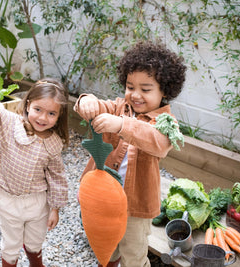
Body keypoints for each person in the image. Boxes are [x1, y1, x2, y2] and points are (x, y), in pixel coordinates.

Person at [74, 41, 187, 267]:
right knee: (107, 245)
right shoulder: (118, 107)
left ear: (164, 90)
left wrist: (121, 126)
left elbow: (157, 142)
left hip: (135, 206)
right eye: (129, 86)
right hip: (104, 198)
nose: (135, 95)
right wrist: (86, 101)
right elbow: (95, 107)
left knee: (133, 253)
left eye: (145, 89)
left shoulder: (165, 123)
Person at [0, 66, 69, 267]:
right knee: (10, 244)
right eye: (38, 110)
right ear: (28, 105)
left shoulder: (53, 143)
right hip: (8, 200)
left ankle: (36, 262)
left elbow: (57, 177)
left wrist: (55, 209)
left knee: (35, 240)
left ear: (59, 117)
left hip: (37, 203)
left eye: (51, 113)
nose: (42, 118)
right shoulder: (10, 125)